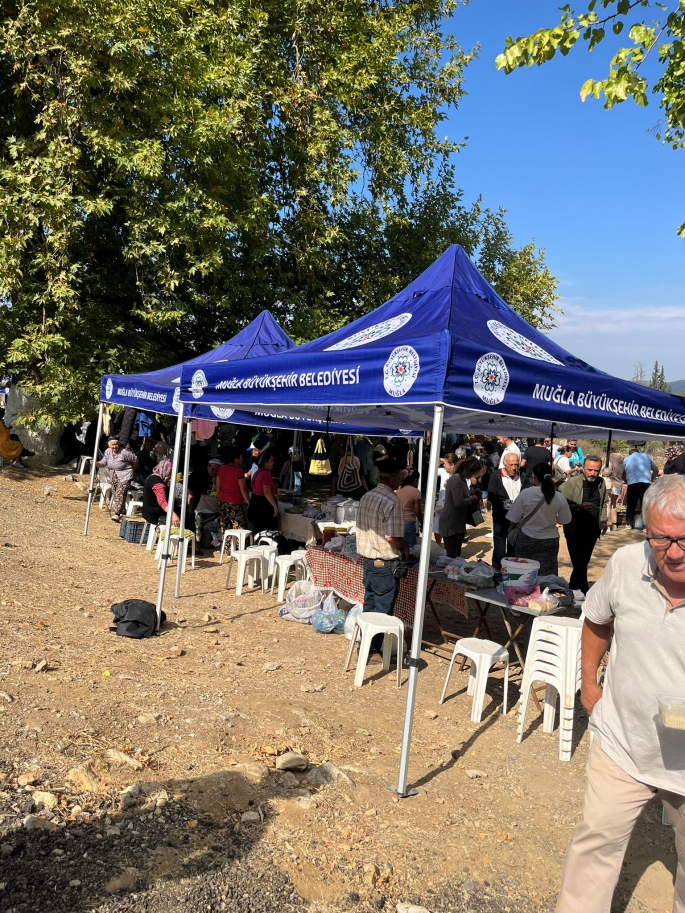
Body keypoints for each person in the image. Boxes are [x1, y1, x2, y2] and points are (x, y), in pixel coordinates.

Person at [555, 474, 685, 913]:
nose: (675, 552)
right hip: (623, 742)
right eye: (662, 539)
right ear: (645, 530)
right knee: (594, 847)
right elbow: (597, 619)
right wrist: (589, 685)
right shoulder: (629, 563)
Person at [356, 460, 408, 663]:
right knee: (382, 612)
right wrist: (404, 547)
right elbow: (392, 537)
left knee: (370, 607)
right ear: (394, 478)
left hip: (368, 562)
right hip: (383, 564)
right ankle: (372, 651)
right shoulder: (391, 501)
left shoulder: (367, 496)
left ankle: (366, 648)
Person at [506, 463, 572, 576]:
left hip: (526, 537)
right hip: (549, 540)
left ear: (535, 477)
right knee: (547, 573)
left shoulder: (526, 493)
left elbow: (514, 518)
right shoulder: (558, 496)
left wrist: (510, 529)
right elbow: (564, 520)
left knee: (524, 573)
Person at [560, 456, 608, 594]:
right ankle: (584, 590)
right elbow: (563, 505)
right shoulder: (571, 484)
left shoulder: (601, 482)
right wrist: (578, 507)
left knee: (583, 562)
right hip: (574, 530)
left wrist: (603, 520)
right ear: (583, 468)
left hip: (592, 530)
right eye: (589, 469)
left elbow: (604, 502)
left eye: (596, 470)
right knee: (580, 563)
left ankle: (573, 588)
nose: (592, 473)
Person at [487, 452, 529, 571]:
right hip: (501, 518)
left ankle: (510, 575)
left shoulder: (523, 477)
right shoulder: (496, 476)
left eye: (516, 464)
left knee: (513, 550)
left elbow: (526, 496)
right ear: (504, 464)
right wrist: (502, 503)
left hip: (517, 520)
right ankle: (496, 574)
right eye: (511, 465)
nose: (514, 468)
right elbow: (491, 495)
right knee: (499, 550)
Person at [440, 457, 484, 558]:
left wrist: (471, 493)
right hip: (451, 523)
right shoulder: (456, 479)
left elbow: (461, 494)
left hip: (457, 522)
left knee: (456, 554)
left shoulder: (461, 479)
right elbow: (458, 502)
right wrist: (471, 499)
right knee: (451, 555)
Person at [96, 437, 137, 522]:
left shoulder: (124, 452)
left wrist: (133, 469)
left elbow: (135, 459)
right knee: (115, 494)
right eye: (113, 445)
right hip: (114, 475)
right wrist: (96, 463)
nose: (115, 446)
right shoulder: (107, 452)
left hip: (125, 475)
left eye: (116, 444)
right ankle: (122, 512)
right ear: (109, 445)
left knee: (120, 493)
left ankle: (117, 513)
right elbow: (104, 462)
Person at [623, 446, 658, 528]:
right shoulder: (646, 456)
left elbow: (623, 473)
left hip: (632, 483)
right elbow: (655, 470)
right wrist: (652, 478)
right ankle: (647, 524)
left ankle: (629, 524)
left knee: (631, 504)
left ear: (630, 454)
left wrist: (626, 481)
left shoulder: (626, 459)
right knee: (645, 504)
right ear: (638, 452)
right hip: (645, 483)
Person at [216, 447, 250, 532]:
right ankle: (240, 545)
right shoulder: (239, 471)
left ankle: (227, 544)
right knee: (240, 528)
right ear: (235, 459)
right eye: (240, 457)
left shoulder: (221, 469)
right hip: (235, 503)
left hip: (222, 502)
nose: (242, 459)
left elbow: (217, 488)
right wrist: (249, 502)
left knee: (226, 527)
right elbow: (243, 490)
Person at [247, 451, 278, 535]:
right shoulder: (265, 474)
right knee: (267, 532)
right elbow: (266, 491)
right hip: (262, 507)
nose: (273, 463)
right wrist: (274, 505)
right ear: (265, 462)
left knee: (257, 531)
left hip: (255, 503)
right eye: (271, 460)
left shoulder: (257, 472)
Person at [142, 460, 179, 528]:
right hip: (156, 515)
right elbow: (162, 501)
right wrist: (173, 515)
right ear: (164, 470)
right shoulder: (158, 484)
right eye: (169, 474)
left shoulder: (152, 477)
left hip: (148, 512)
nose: (170, 477)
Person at [433, 453, 457, 546]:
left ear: (452, 465)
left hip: (453, 506)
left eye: (446, 463)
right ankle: (439, 545)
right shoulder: (443, 471)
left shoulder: (460, 475)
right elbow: (432, 471)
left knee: (450, 528)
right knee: (437, 526)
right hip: (441, 505)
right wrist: (438, 462)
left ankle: (449, 548)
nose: (444, 465)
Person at [396, 470, 423, 549]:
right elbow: (417, 511)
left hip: (396, 523)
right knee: (410, 550)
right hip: (408, 524)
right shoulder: (415, 492)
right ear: (415, 480)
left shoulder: (398, 490)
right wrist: (422, 523)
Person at [601, 441, 625, 531]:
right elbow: (624, 471)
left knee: (608, 504)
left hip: (610, 482)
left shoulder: (609, 458)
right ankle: (614, 524)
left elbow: (607, 471)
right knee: (614, 504)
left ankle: (608, 525)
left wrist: (602, 472)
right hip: (619, 483)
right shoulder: (621, 459)